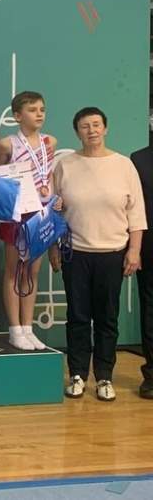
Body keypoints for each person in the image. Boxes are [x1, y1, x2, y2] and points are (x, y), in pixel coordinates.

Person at [55, 107, 145, 401]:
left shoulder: (124, 165)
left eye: (96, 125)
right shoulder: (65, 165)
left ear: (105, 129)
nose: (91, 130)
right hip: (75, 254)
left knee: (107, 319)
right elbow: (53, 211)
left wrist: (134, 250)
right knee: (78, 316)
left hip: (112, 254)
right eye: (85, 126)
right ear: (77, 132)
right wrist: (53, 248)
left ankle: (104, 376)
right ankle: (78, 374)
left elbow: (136, 213)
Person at [0, 91, 57, 351]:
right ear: (18, 116)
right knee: (14, 270)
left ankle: (28, 327)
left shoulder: (50, 142)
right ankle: (15, 330)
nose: (39, 114)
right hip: (16, 213)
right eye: (32, 110)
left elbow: (49, 176)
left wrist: (51, 200)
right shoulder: (7, 144)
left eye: (42, 109)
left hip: (40, 213)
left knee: (31, 271)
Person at [130, 139, 153, 399]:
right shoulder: (138, 159)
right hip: (149, 249)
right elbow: (134, 207)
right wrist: (135, 248)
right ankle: (152, 375)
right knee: (150, 312)